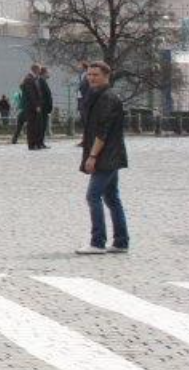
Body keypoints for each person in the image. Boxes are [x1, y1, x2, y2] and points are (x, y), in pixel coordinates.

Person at [75, 61, 128, 254]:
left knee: (93, 196)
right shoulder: (97, 95)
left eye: (95, 74)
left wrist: (92, 156)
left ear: (106, 76)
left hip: (106, 156)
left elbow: (102, 132)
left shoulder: (107, 98)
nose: (91, 78)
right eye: (89, 74)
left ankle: (97, 242)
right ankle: (121, 241)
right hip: (110, 155)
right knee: (112, 197)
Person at [13, 65, 39, 147]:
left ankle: (15, 139)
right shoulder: (29, 79)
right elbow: (31, 94)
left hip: (25, 107)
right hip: (28, 107)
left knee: (21, 124)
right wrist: (36, 105)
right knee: (31, 125)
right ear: (36, 70)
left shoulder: (28, 79)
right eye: (39, 70)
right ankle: (31, 143)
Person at [36, 66, 54, 148]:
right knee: (41, 126)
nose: (49, 74)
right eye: (48, 72)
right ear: (44, 73)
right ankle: (39, 143)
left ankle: (41, 142)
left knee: (43, 126)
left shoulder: (43, 81)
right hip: (43, 107)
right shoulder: (40, 81)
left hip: (45, 108)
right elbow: (43, 95)